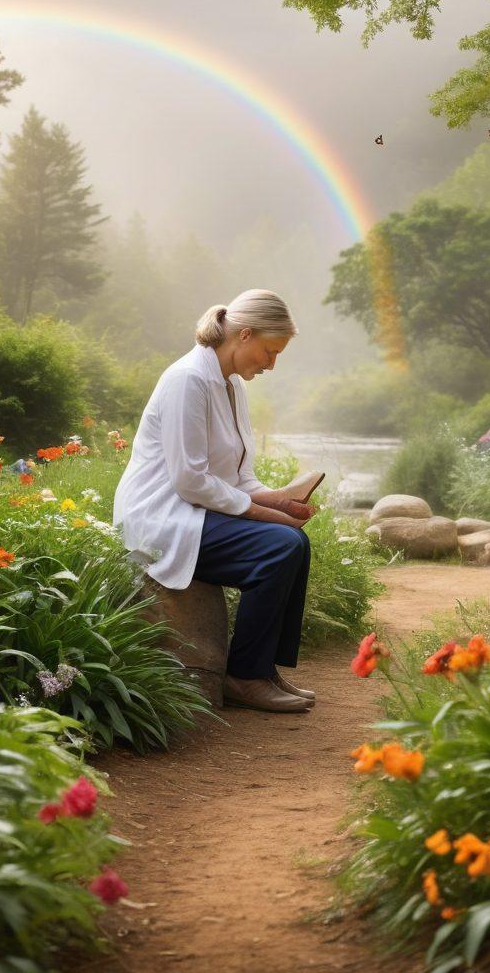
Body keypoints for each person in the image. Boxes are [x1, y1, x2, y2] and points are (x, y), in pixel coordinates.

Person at [113, 289, 317, 713]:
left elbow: (239, 478)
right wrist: (268, 516)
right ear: (243, 335)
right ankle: (242, 678)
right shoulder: (188, 379)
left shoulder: (229, 386)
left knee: (296, 545)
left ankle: (261, 670)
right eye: (269, 351)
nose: (271, 364)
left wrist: (279, 501)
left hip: (195, 509)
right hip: (162, 515)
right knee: (281, 546)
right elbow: (190, 480)